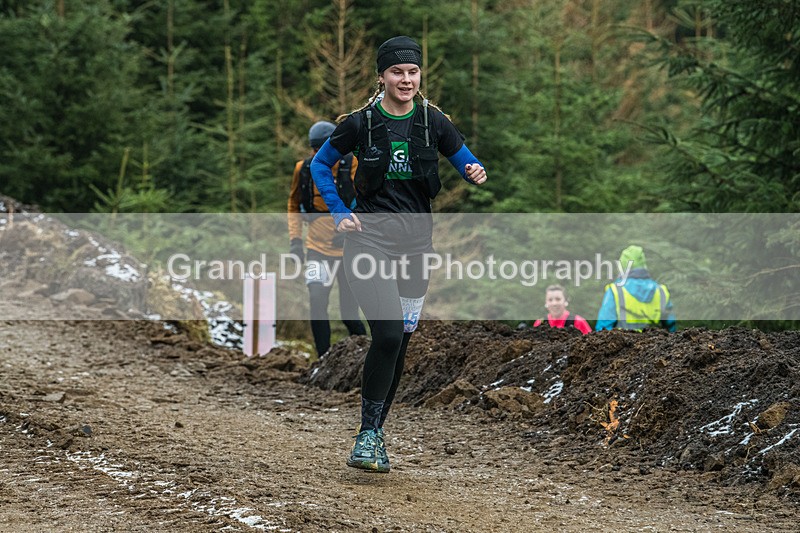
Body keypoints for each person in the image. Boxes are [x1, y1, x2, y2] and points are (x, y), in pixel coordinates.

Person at [310, 36, 487, 472]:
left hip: (416, 249)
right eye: (397, 72)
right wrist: (338, 212)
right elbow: (319, 164)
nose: (405, 80)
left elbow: (464, 156)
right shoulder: (360, 123)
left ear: (419, 76)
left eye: (412, 72)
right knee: (387, 334)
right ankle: (367, 436)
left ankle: (374, 435)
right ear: (382, 77)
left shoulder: (433, 121)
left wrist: (472, 169)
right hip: (367, 241)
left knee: (401, 344)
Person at [287, 121, 366, 357]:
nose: (319, 156)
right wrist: (295, 241)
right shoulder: (303, 168)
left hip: (350, 249)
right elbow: (293, 205)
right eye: (315, 150)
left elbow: (368, 202)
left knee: (348, 312)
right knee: (317, 302)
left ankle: (364, 357)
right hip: (316, 249)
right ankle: (322, 360)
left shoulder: (353, 164)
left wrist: (350, 234)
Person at [595, 244, 676, 332]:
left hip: (623, 344)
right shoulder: (661, 292)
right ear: (644, 265)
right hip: (656, 344)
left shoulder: (616, 291)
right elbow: (671, 329)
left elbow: (603, 329)